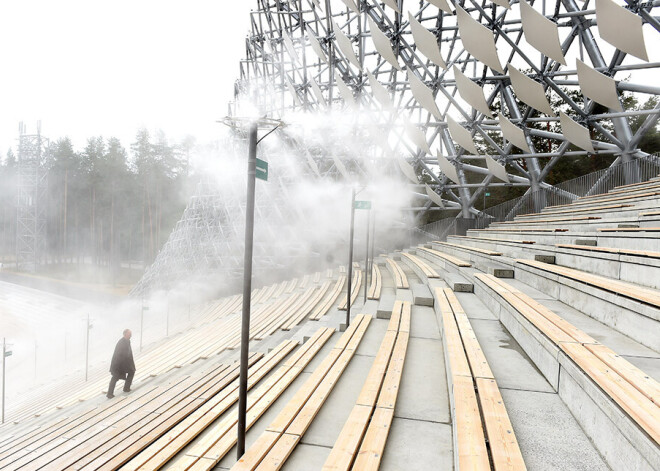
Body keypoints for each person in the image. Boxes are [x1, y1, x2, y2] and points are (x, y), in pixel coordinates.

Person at [107, 328, 136, 399]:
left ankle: (126, 388)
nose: (131, 335)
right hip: (118, 364)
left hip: (124, 363)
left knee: (131, 371)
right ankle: (109, 393)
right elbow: (119, 355)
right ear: (125, 334)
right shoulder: (121, 342)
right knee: (115, 377)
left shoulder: (127, 341)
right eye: (129, 334)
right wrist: (119, 366)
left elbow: (128, 354)